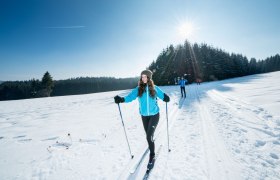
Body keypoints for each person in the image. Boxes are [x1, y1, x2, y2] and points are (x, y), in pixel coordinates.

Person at [114, 70, 170, 169]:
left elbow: (162, 95)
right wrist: (122, 99)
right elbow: (130, 97)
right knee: (148, 135)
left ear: (149, 78)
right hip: (144, 116)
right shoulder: (138, 89)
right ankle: (151, 142)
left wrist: (166, 97)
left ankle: (152, 156)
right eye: (142, 77)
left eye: (145, 77)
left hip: (154, 115)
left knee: (148, 137)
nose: (143, 78)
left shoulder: (154, 88)